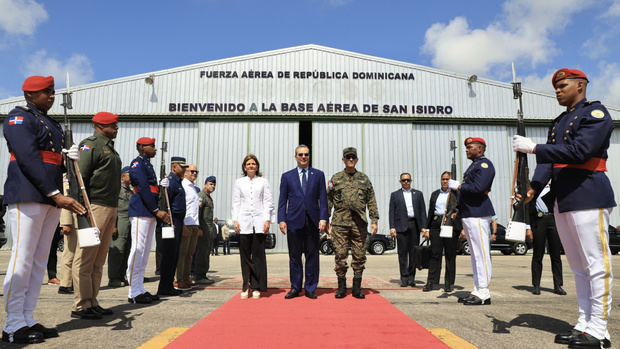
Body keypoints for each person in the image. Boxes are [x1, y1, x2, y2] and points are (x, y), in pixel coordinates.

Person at [513, 68, 614, 348]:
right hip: (563, 197)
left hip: (587, 193)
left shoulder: (595, 114)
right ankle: (584, 323)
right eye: (555, 86)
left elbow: (580, 152)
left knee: (596, 264)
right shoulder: (559, 121)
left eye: (563, 85)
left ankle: (599, 329)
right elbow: (548, 159)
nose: (557, 90)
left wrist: (533, 148)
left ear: (580, 85)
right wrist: (533, 187)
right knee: (579, 266)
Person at [2, 75, 85, 344]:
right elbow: (27, 157)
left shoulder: (50, 122)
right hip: (29, 193)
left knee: (38, 261)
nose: (51, 96)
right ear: (29, 95)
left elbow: (51, 158)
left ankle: (27, 317)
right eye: (45, 92)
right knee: (22, 258)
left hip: (50, 195)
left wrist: (66, 158)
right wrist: (55, 194)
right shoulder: (19, 117)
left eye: (52, 91)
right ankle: (13, 324)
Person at [70, 112, 122, 320]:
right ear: (101, 126)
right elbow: (79, 176)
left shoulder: (109, 147)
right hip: (95, 206)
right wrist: (82, 208)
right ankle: (80, 304)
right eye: (113, 125)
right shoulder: (90, 145)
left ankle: (92, 300)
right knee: (86, 257)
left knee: (99, 259)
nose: (117, 128)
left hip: (109, 206)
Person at [448, 137, 495, 306]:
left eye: (470, 147)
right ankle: (478, 289)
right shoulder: (474, 165)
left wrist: (459, 186)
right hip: (469, 213)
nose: (467, 150)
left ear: (480, 149)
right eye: (466, 147)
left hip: (478, 213)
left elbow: (478, 188)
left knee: (481, 254)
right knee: (475, 255)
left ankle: (484, 291)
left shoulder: (485, 165)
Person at [327, 147, 379, 299]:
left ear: (356, 160)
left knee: (359, 256)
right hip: (339, 224)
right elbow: (328, 199)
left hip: (359, 224)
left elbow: (371, 200)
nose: (350, 159)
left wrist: (374, 220)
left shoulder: (364, 179)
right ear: (343, 160)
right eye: (347, 157)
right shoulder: (335, 178)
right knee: (340, 255)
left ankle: (357, 288)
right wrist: (325, 218)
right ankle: (341, 288)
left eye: (353, 157)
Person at [278, 144, 328, 299]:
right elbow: (282, 200)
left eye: (306, 154)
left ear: (309, 156)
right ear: (295, 157)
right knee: (294, 256)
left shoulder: (318, 175)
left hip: (313, 222)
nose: (303, 157)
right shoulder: (287, 176)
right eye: (300, 154)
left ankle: (310, 287)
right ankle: (295, 287)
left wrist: (323, 218)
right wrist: (281, 219)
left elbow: (323, 199)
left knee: (312, 256)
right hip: (293, 221)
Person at [126, 137, 170, 304]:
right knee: (137, 249)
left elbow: (150, 187)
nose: (155, 149)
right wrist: (156, 209)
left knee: (144, 253)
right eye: (152, 146)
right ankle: (133, 292)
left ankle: (140, 289)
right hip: (142, 209)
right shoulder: (137, 163)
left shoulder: (147, 164)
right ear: (142, 147)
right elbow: (143, 188)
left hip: (148, 209)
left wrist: (160, 186)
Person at [232, 154, 274, 299]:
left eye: (253, 164)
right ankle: (246, 285)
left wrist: (267, 220)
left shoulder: (263, 181)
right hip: (243, 222)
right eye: (248, 164)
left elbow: (268, 201)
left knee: (258, 255)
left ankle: (256, 286)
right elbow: (236, 202)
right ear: (244, 167)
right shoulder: (239, 182)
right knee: (245, 255)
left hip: (259, 221)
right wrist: (235, 220)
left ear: (257, 166)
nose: (251, 166)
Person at [525, 184, 565, 296]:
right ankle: (536, 285)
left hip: (554, 220)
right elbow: (527, 206)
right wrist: (528, 227)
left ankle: (558, 285)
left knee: (556, 255)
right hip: (539, 220)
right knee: (538, 254)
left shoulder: (556, 184)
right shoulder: (535, 187)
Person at [388, 172, 427, 288]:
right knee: (402, 254)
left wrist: (423, 227)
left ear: (411, 181)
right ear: (400, 182)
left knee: (414, 253)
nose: (406, 182)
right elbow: (391, 212)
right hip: (401, 227)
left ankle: (411, 277)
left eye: (408, 180)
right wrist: (392, 227)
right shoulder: (395, 195)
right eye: (404, 180)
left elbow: (422, 211)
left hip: (414, 225)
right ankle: (404, 278)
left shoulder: (418, 194)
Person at [422, 171, 458, 292]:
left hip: (450, 225)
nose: (445, 181)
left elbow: (462, 209)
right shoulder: (435, 194)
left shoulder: (456, 194)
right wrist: (427, 228)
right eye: (443, 179)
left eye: (447, 179)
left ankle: (449, 283)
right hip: (436, 224)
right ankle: (430, 282)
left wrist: (456, 215)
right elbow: (430, 212)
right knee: (435, 254)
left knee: (450, 255)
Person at [159, 157, 188, 294]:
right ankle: (164, 287)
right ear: (174, 167)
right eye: (181, 167)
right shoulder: (170, 182)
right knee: (169, 254)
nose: (184, 169)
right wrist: (167, 221)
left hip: (178, 220)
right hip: (171, 220)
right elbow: (165, 203)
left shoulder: (178, 182)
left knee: (174, 254)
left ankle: (168, 285)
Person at [175, 164, 201, 290]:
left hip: (194, 224)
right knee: (182, 253)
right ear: (185, 172)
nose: (194, 174)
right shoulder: (183, 186)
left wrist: (197, 226)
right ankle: (179, 279)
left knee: (190, 254)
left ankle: (186, 278)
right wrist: (183, 225)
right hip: (186, 223)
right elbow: (182, 207)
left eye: (196, 172)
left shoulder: (193, 188)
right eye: (192, 171)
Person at [108, 166, 133, 287]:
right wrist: (113, 225)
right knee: (117, 250)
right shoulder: (117, 189)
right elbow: (113, 208)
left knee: (126, 249)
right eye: (130, 174)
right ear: (123, 177)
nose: (132, 176)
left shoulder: (131, 190)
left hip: (129, 222)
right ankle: (113, 278)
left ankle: (121, 275)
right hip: (119, 221)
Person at [195, 176, 216, 285]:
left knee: (206, 252)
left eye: (213, 184)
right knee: (201, 253)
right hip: (203, 229)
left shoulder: (208, 198)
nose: (212, 186)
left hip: (208, 230)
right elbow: (197, 213)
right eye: (210, 184)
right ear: (205, 184)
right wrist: (198, 228)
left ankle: (202, 274)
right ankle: (199, 275)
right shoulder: (201, 196)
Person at [58, 177, 76, 295]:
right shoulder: (68, 177)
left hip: (80, 220)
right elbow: (66, 201)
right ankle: (65, 284)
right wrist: (66, 223)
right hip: (72, 222)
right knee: (69, 253)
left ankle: (72, 282)